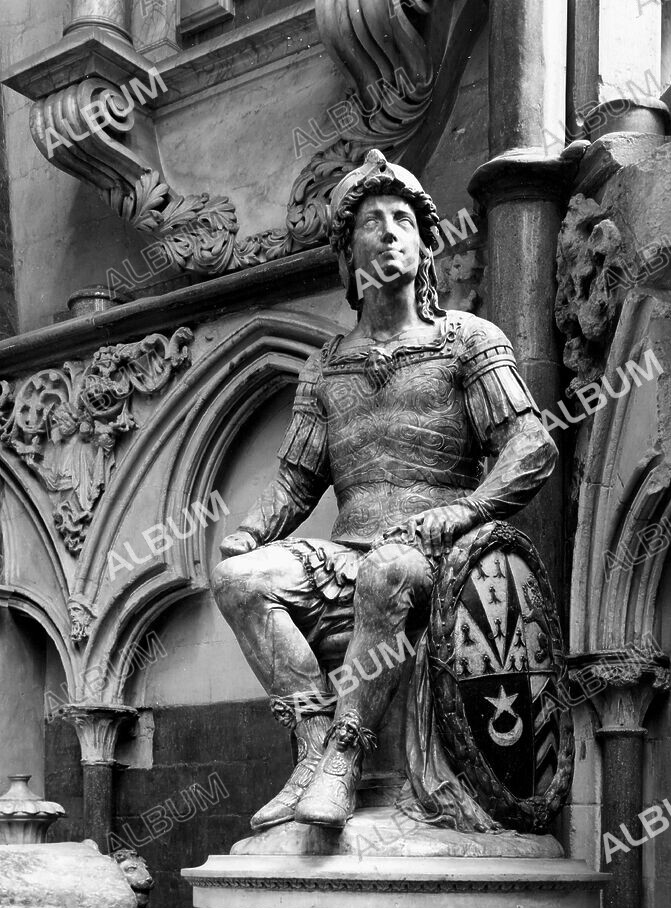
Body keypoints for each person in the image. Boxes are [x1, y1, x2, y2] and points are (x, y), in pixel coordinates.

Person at [212, 149, 556, 830]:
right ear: (348, 254)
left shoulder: (467, 340)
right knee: (238, 580)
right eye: (373, 221)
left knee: (388, 569)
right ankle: (312, 742)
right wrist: (247, 535)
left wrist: (465, 509)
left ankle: (346, 754)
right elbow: (295, 480)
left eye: (405, 220)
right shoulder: (323, 367)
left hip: (441, 554)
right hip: (346, 555)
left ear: (426, 246)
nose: (391, 233)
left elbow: (532, 446)